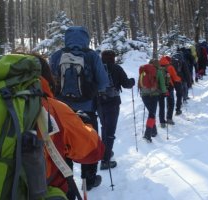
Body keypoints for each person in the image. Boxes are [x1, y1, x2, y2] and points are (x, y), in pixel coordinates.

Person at [34, 54, 105, 199]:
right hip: (45, 190)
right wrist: (87, 124)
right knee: (63, 150)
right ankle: (89, 179)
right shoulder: (52, 108)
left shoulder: (58, 55)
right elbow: (93, 151)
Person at [49, 26, 109, 191]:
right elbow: (103, 82)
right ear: (86, 39)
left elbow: (48, 82)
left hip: (60, 111)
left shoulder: (56, 56)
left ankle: (66, 182)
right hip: (87, 109)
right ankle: (88, 180)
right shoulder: (92, 56)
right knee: (87, 141)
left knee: (62, 144)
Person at [97, 50, 135, 170]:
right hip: (113, 102)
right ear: (113, 58)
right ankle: (105, 160)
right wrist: (132, 81)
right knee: (110, 131)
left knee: (104, 128)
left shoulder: (97, 68)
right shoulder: (116, 68)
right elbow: (126, 84)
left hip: (99, 103)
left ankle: (105, 152)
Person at [139, 59, 167, 142]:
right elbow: (162, 84)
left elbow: (140, 83)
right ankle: (147, 134)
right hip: (154, 95)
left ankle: (153, 131)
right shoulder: (158, 71)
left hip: (144, 95)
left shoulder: (143, 71)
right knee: (152, 114)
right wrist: (165, 92)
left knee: (151, 113)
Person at [159, 55, 182, 125]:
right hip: (169, 88)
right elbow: (175, 78)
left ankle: (162, 121)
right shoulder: (170, 67)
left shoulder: (158, 67)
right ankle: (169, 118)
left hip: (159, 88)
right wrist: (180, 79)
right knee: (171, 103)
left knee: (161, 105)